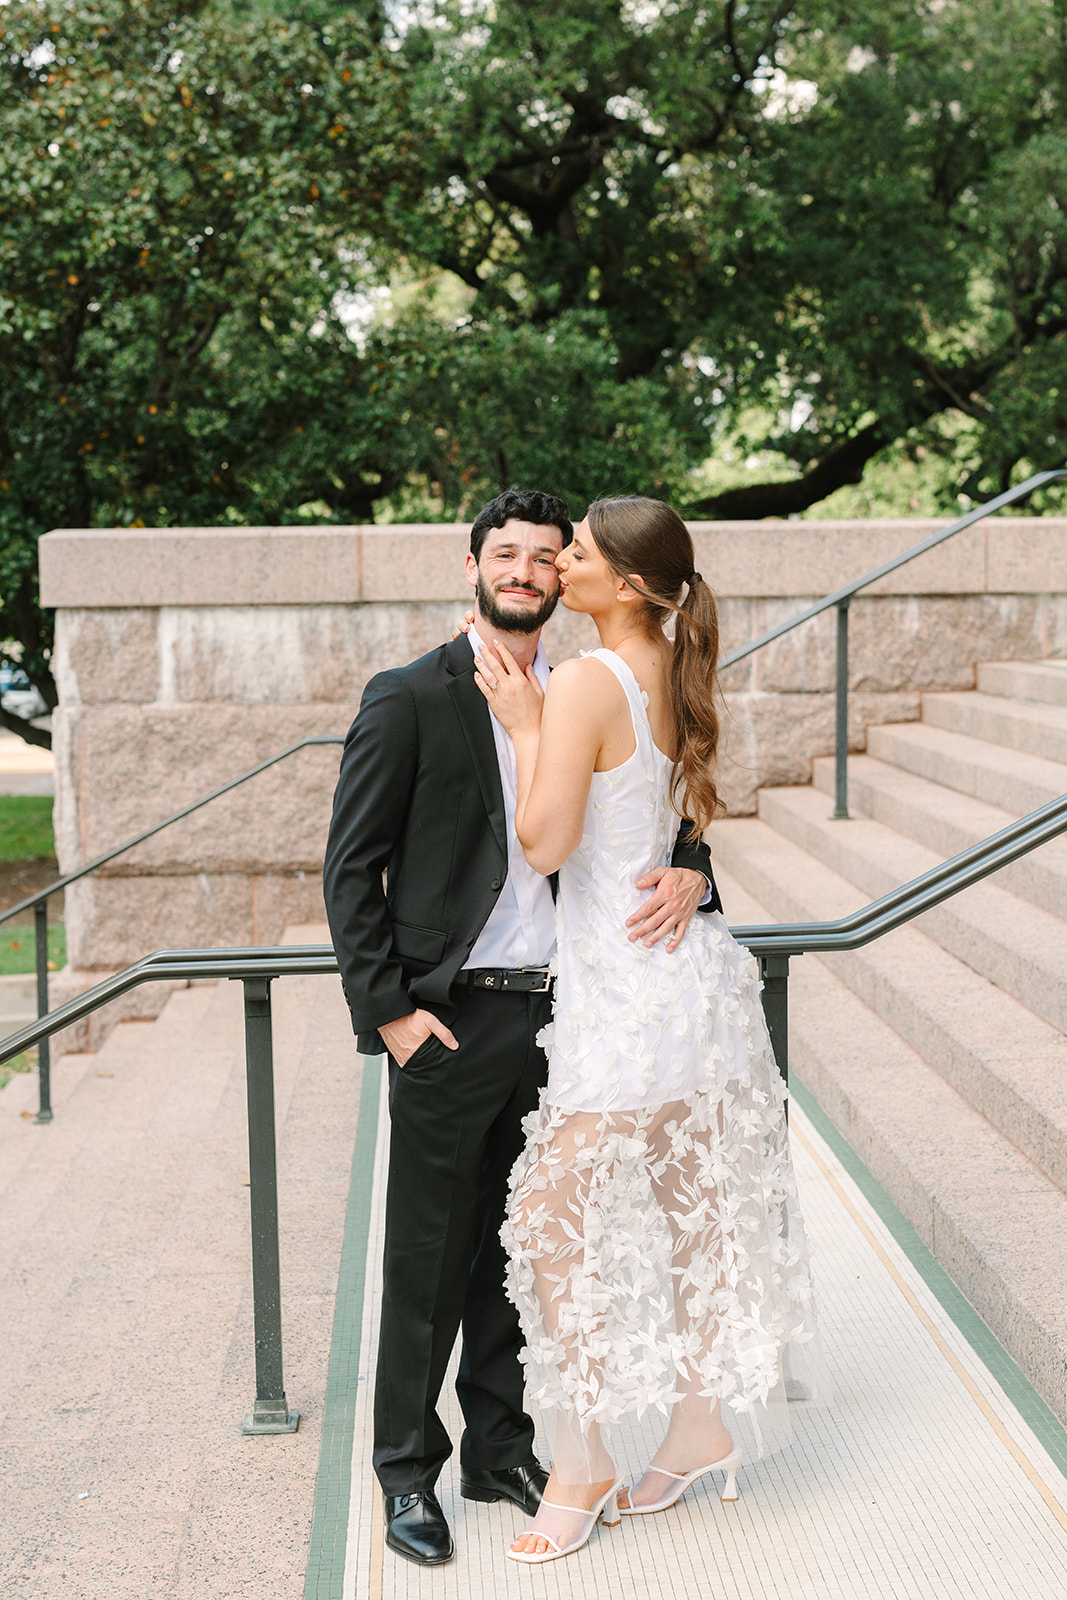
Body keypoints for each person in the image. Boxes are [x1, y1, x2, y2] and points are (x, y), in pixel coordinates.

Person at [322, 487, 723, 1568]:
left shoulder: (592, 686)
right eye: (504, 553)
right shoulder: (409, 696)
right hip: (451, 1018)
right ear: (471, 567)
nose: (525, 569)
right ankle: (406, 1468)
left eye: (547, 555)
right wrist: (392, 1012)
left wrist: (690, 874)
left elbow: (664, 815)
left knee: (520, 1252)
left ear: (564, 580)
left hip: (570, 1012)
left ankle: (500, 1447)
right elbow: (350, 869)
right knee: (428, 1254)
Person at [469, 495, 822, 1566]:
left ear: (622, 582)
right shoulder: (676, 660)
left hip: (628, 992)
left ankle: (581, 1462)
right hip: (693, 985)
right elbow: (672, 815)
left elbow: (541, 844)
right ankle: (698, 1422)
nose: (558, 561)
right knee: (688, 1210)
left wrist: (530, 731)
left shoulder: (579, 681)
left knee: (544, 1218)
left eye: (574, 549)